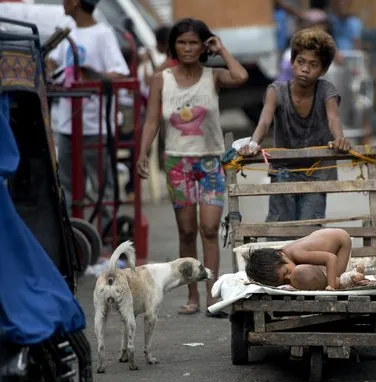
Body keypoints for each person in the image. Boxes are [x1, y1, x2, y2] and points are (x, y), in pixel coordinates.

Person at [136, 18, 248, 317]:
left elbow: (240, 75)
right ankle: (192, 295)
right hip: (177, 163)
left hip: (211, 162)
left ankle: (213, 296)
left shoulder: (214, 77)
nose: (187, 48)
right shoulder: (162, 79)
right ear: (173, 46)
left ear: (203, 46)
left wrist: (221, 48)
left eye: (194, 42)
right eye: (182, 42)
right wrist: (144, 152)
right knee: (186, 232)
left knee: (209, 229)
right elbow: (151, 120)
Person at [240, 28, 350, 224]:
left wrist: (339, 139)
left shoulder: (326, 90)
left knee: (309, 227)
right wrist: (253, 143)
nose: (305, 69)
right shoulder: (276, 91)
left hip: (317, 171)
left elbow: (333, 118)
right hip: (283, 169)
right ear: (292, 63)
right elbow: (265, 121)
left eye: (313, 64)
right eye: (300, 62)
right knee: (280, 226)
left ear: (323, 70)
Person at [46, 0, 129, 218]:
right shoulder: (68, 32)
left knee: (102, 186)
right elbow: (53, 62)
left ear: (76, 3)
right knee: (66, 184)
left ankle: (110, 237)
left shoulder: (102, 34)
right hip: (66, 124)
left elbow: (120, 72)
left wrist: (94, 76)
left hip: (95, 126)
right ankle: (73, 238)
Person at [245, 228, 352, 289]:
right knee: (312, 275)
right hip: (322, 238)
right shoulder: (284, 256)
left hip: (341, 240)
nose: (290, 277)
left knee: (335, 278)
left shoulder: (297, 254)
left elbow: (330, 258)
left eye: (286, 272)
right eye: (284, 281)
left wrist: (331, 286)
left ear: (280, 255)